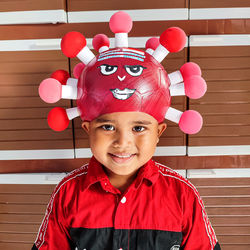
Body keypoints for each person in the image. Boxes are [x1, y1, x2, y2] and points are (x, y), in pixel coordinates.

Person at [33, 11, 221, 250]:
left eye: (139, 127)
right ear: (87, 129)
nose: (123, 142)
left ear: (159, 132)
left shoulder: (184, 196)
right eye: (108, 126)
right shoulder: (67, 194)